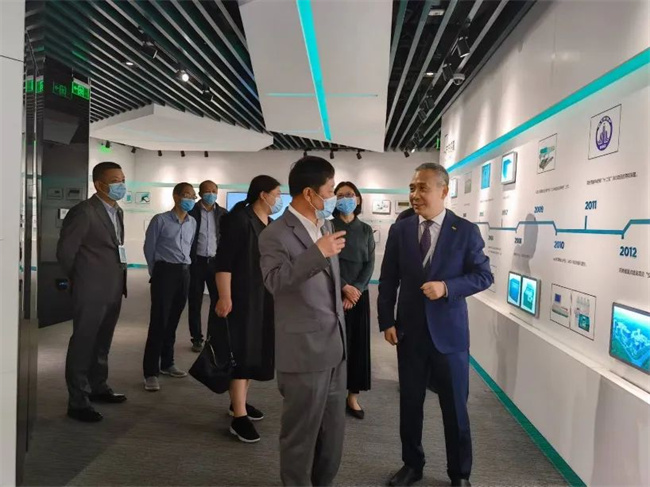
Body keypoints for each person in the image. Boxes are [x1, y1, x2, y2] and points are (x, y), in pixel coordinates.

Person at [378, 163, 493, 487]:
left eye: (423, 188)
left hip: (450, 338)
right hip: (410, 334)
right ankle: (412, 465)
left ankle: (460, 474)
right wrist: (386, 321)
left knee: (455, 410)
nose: (415, 195)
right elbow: (388, 280)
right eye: (412, 188)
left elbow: (483, 276)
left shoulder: (465, 231)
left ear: (444, 191)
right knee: (410, 405)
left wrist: (447, 287)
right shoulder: (401, 230)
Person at [259, 156, 347, 486]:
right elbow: (275, 282)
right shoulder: (275, 233)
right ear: (309, 193)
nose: (334, 197)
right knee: (301, 435)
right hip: (304, 349)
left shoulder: (325, 227)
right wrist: (316, 254)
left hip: (335, 345)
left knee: (333, 433)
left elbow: (325, 281)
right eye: (330, 190)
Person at [56, 162, 128, 422]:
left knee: (102, 342)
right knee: (83, 343)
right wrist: (81, 279)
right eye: (115, 180)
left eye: (122, 179)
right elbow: (65, 252)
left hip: (113, 287)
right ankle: (78, 401)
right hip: (90, 289)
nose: (121, 184)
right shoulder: (84, 212)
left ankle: (98, 386)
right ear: (99, 184)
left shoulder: (117, 211)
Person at [212, 175, 281, 443]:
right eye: (276, 194)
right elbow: (224, 262)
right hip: (240, 297)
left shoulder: (269, 224)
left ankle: (238, 402)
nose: (279, 199)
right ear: (263, 194)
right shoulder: (239, 220)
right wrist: (224, 297)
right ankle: (238, 416)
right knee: (241, 353)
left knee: (254, 351)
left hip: (263, 297)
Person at [142, 182, 198, 392]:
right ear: (176, 196)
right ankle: (150, 372)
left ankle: (167, 363)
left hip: (184, 273)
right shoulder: (160, 220)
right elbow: (149, 248)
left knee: (173, 320)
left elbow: (189, 247)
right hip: (164, 272)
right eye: (186, 195)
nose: (190, 199)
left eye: (193, 196)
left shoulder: (192, 222)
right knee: (159, 321)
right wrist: (156, 273)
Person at [331, 181, 375, 420]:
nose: (345, 199)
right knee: (334, 345)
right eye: (340, 195)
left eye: (349, 194)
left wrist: (355, 290)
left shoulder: (366, 230)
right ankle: (332, 394)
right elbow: (326, 262)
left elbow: (370, 264)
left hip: (358, 296)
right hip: (333, 292)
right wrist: (344, 287)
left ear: (357, 199)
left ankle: (352, 396)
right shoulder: (327, 227)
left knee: (357, 345)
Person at [188, 180, 227, 352]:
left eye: (213, 191)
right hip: (197, 262)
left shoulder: (223, 214)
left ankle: (213, 336)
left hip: (216, 263)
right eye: (207, 191)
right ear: (200, 193)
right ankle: (197, 338)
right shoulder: (191, 212)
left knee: (217, 300)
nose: (210, 194)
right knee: (195, 301)